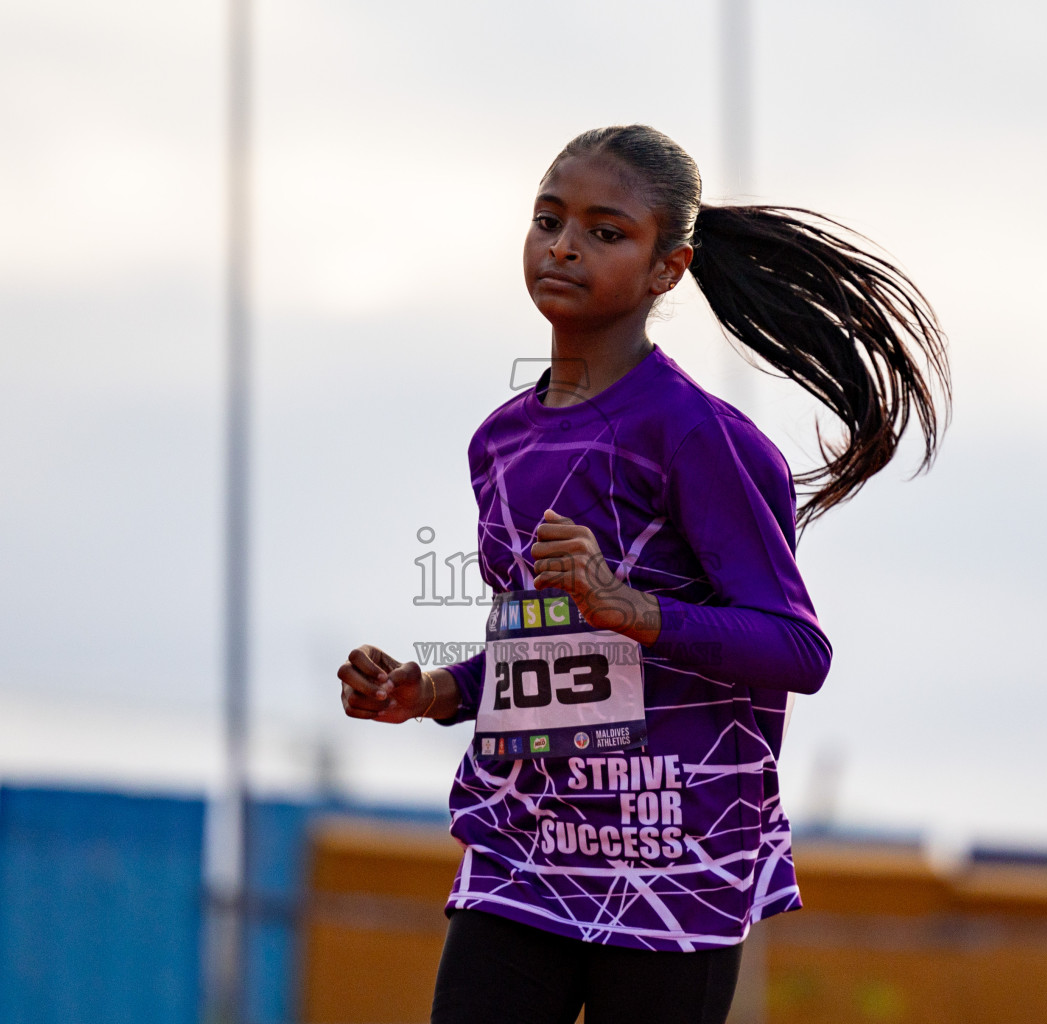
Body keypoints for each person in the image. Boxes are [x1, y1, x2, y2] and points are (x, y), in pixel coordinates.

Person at [336, 124, 949, 1024]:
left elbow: (797, 649)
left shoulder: (699, 437)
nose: (564, 245)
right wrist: (428, 690)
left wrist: (633, 606)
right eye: (548, 220)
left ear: (669, 268)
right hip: (527, 849)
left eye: (605, 230)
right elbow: (546, 651)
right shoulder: (500, 441)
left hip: (675, 864)